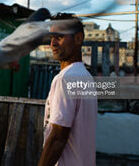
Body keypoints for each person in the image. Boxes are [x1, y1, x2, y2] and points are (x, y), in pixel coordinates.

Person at [38, 13, 97, 166]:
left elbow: (58, 137)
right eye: (51, 38)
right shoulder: (85, 76)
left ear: (78, 39)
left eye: (59, 37)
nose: (53, 43)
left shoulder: (65, 79)